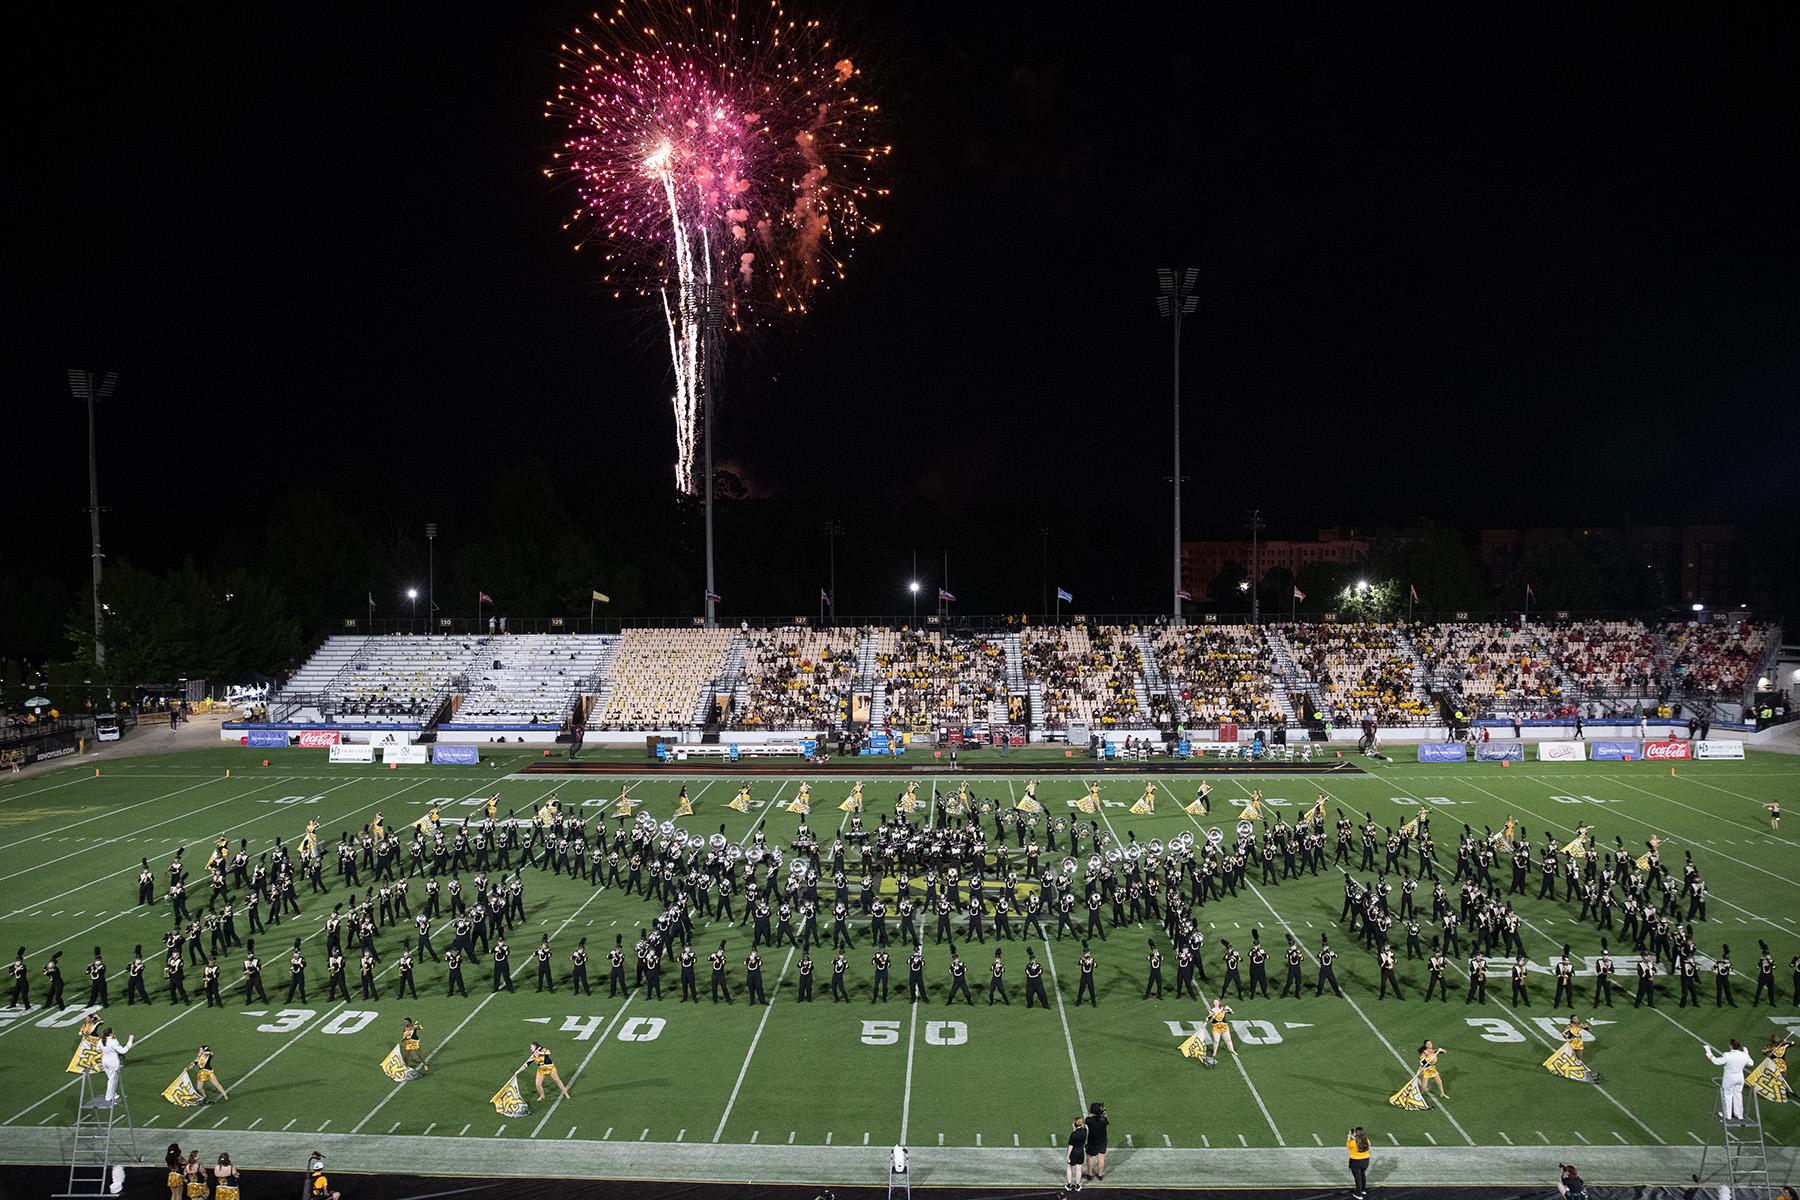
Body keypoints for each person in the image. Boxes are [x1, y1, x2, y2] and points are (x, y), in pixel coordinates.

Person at [1706, 1038, 1754, 1122]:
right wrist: (1747, 1054)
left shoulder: (1727, 1055)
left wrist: (1709, 1053)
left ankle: (1727, 1114)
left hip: (1729, 1078)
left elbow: (1717, 1062)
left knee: (1727, 1095)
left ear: (1731, 1046)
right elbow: (1751, 1063)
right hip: (1740, 1077)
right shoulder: (1743, 1055)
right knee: (1738, 1095)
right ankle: (1739, 1114)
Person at [99, 1026, 133, 1102]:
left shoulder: (101, 1041)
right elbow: (123, 1051)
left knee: (111, 1079)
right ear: (110, 1033)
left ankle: (113, 1094)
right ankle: (108, 1097)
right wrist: (130, 1041)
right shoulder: (113, 1041)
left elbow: (98, 1049)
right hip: (113, 1062)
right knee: (112, 1079)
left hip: (104, 1061)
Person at [1083, 1101, 1108, 1182]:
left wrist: (1091, 1115)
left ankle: (1089, 1174)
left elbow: (1085, 1120)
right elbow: (1105, 1117)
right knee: (1101, 1157)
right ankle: (1100, 1175)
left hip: (1092, 1141)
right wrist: (1103, 1112)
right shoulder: (1104, 1120)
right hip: (1102, 1140)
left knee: (1089, 1157)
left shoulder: (1089, 1120)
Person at [1346, 1126, 1371, 1199]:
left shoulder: (1353, 1142)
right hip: (1365, 1161)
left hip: (1356, 1162)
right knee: (1363, 1175)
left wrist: (1349, 1136)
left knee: (1358, 1178)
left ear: (1356, 1134)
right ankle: (1363, 1190)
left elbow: (1348, 1146)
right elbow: (1363, 1143)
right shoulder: (1366, 1141)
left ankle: (1359, 1195)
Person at [1065, 1115, 1088, 1191]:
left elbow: (1071, 1146)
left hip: (1074, 1152)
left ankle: (1069, 1185)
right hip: (1081, 1151)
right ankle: (1078, 1185)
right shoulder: (1085, 1131)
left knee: (1069, 1167)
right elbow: (1079, 1130)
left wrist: (1068, 1157)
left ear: (1075, 1124)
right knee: (1079, 1168)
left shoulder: (1073, 1134)